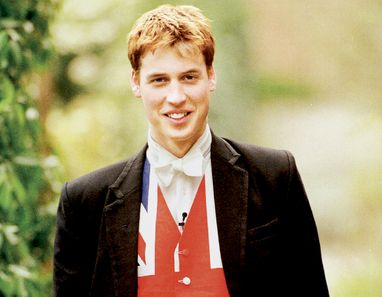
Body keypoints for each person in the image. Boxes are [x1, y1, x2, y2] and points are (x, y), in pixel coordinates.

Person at [53, 4, 329, 297]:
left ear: (211, 76)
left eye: (189, 77)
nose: (176, 97)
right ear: (136, 83)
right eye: (159, 80)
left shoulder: (275, 177)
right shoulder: (85, 202)